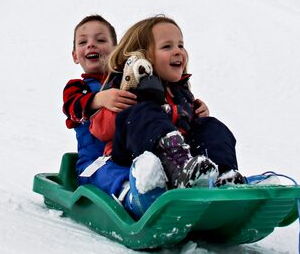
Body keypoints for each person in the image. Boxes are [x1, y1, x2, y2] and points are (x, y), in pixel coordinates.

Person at [91, 15, 246, 201]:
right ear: (142, 55)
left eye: (180, 45)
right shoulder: (125, 85)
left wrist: (197, 116)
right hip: (135, 158)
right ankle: (180, 170)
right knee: (145, 112)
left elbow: (191, 126)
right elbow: (100, 130)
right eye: (167, 46)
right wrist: (116, 105)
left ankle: (223, 175)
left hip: (186, 158)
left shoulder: (179, 91)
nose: (178, 51)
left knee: (210, 125)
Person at [62, 15, 144, 211]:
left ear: (116, 50)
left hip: (131, 159)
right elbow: (72, 108)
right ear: (75, 55)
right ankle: (130, 194)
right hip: (95, 164)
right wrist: (99, 99)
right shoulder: (78, 88)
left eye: (100, 40)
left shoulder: (128, 84)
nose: (91, 45)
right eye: (83, 42)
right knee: (107, 174)